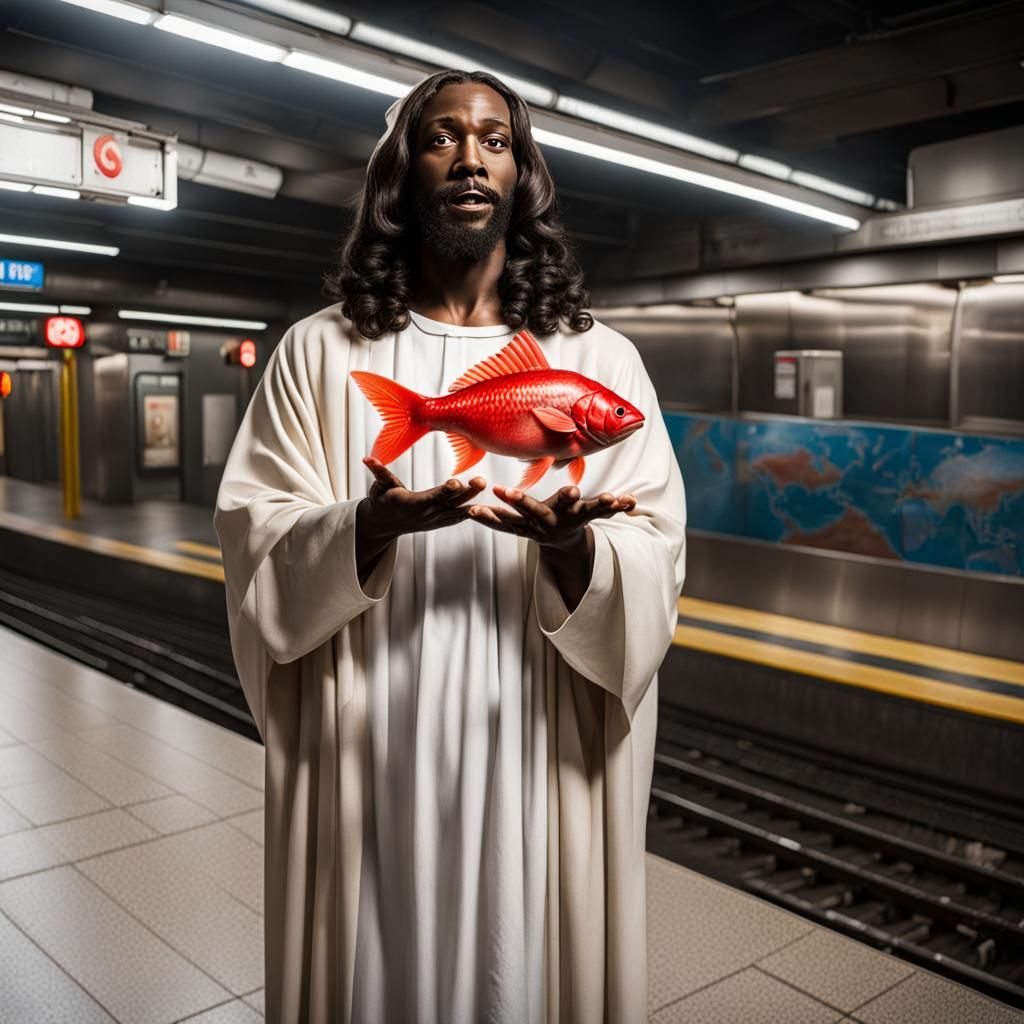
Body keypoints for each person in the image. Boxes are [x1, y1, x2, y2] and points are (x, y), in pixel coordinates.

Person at [214, 67, 686, 1024]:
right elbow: (254, 534)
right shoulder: (318, 352)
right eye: (442, 137)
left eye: (495, 140)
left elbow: (656, 550)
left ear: (521, 176)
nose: (471, 157)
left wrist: (574, 554)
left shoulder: (599, 360)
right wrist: (366, 526)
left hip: (536, 735)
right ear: (401, 171)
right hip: (369, 738)